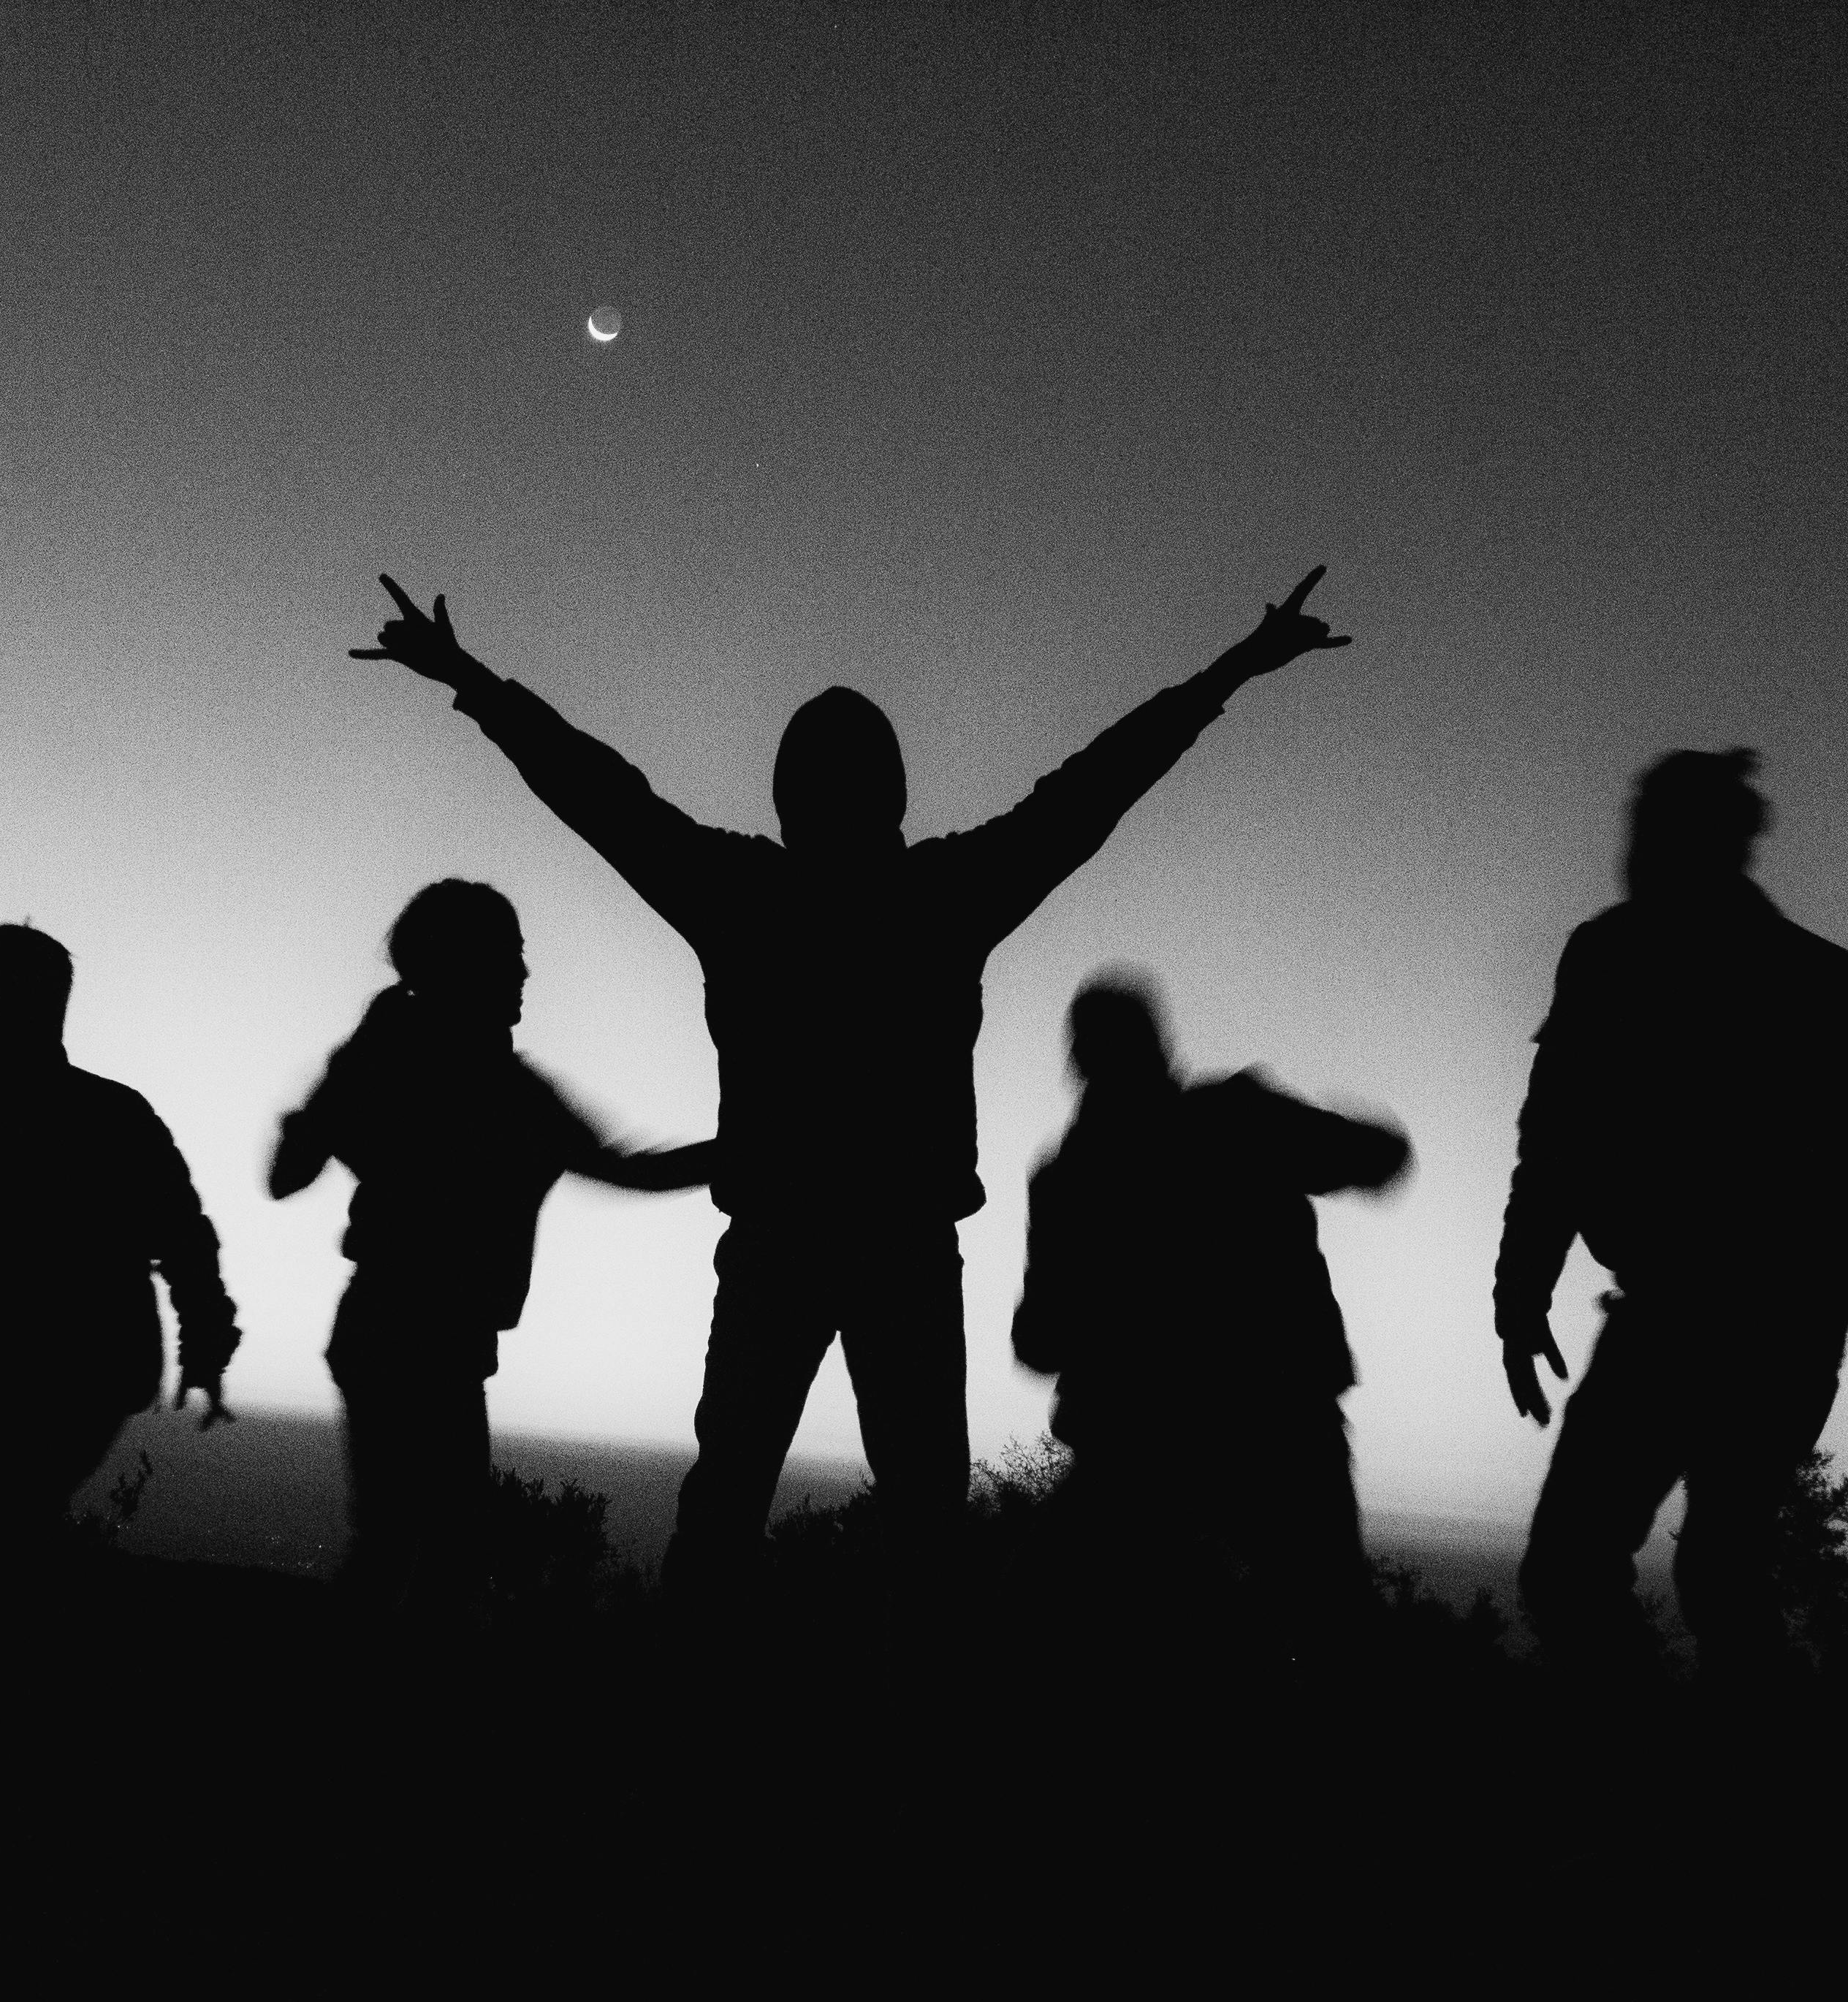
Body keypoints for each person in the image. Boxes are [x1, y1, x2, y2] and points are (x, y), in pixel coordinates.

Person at [351, 568, 1352, 1586]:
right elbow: (1094, 789)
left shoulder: (746, 894)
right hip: (895, 1249)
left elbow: (597, 793)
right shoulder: (939, 896)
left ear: (788, 796)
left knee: (741, 1504)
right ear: (894, 795)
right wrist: (1234, 666)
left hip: (796, 1245)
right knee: (906, 1518)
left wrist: (469, 679)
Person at [1494, 750, 1848, 1678]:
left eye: (1650, 828)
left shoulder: (1816, 981)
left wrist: (1816, 1309)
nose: (1631, 849)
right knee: (1638, 1577)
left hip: (1750, 1327)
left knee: (1694, 1577)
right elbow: (1556, 1140)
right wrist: (1520, 1294)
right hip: (1683, 1319)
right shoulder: (1611, 956)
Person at [270, 880, 711, 1604]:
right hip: (409, 1337)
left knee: (408, 1548)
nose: (525, 974)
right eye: (510, 955)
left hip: (408, 1336)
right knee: (423, 1553)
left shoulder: (438, 1070)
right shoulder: (483, 1084)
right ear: (464, 963)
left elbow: (288, 1172)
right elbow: (629, 1170)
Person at [1013, 974, 1410, 1662]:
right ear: (1161, 1048)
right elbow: (1382, 1156)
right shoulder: (1235, 1119)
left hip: (1145, 1444)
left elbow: (1038, 1342)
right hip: (1270, 1427)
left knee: (1068, 1639)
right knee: (1333, 1641)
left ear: (1077, 1061)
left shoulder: (1067, 1179)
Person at [0, 923, 237, 1528]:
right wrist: (207, 1346)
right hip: (88, 1373)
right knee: (14, 1509)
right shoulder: (115, 1118)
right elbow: (186, 1238)